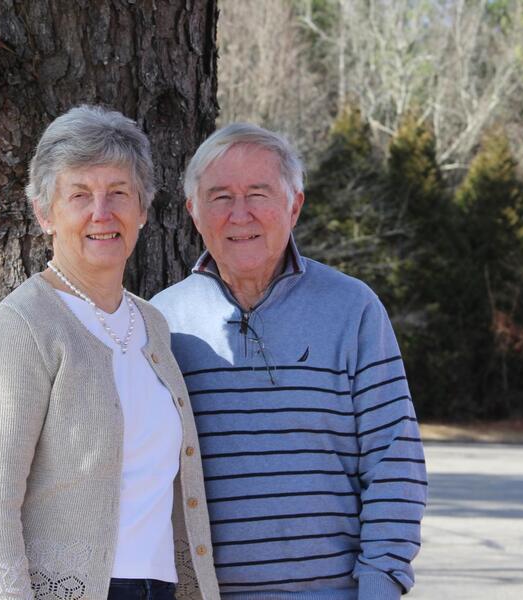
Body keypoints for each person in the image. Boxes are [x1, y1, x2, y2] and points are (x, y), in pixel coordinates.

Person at [151, 124, 427, 600]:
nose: (241, 215)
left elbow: (393, 460)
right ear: (193, 212)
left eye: (259, 193)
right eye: (220, 197)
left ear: (294, 205)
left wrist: (380, 584)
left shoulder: (353, 310)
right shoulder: (160, 322)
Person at [0, 105, 220, 600]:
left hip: (161, 587)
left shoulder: (153, 326)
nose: (102, 212)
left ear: (142, 209)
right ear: (45, 213)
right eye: (80, 195)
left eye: (119, 193)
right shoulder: (23, 328)